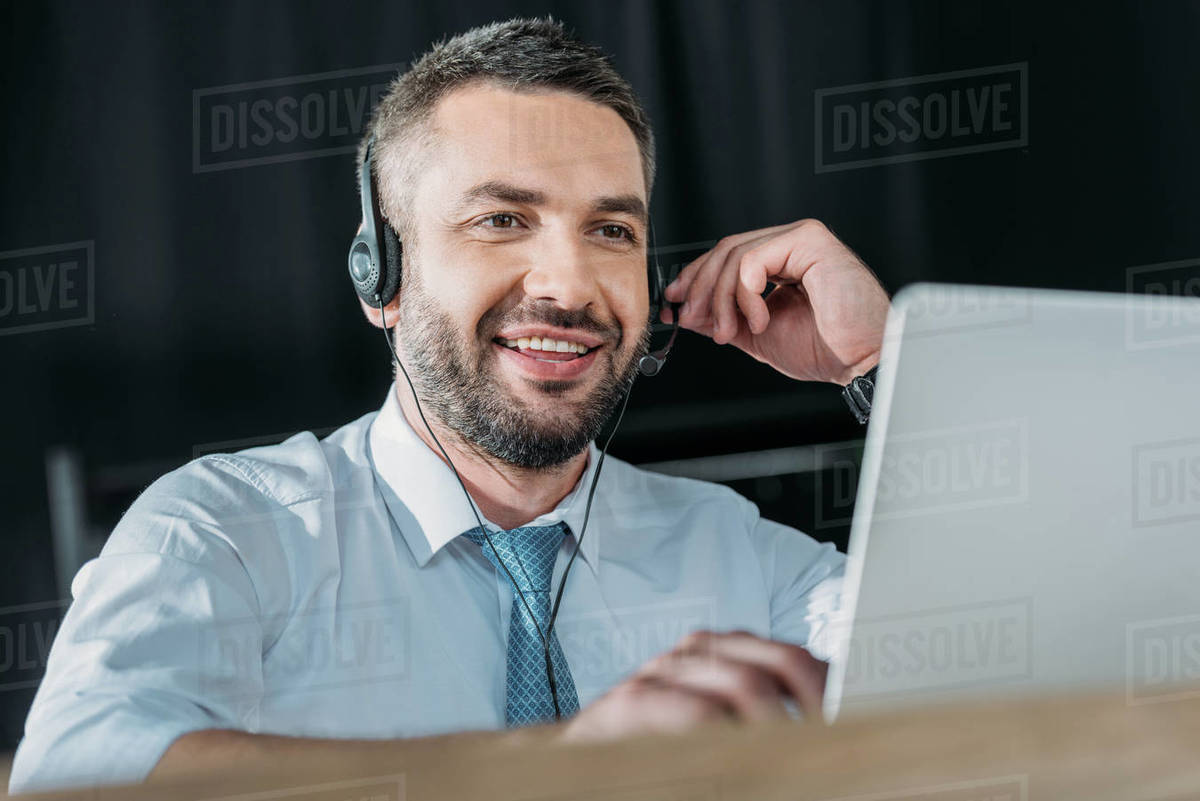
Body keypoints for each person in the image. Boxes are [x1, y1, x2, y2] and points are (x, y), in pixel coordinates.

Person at [9, 16, 890, 794]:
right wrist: (549, 769)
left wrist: (879, 363)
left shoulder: (739, 551)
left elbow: (1010, 663)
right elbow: (80, 770)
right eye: (503, 220)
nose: (570, 284)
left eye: (612, 230)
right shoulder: (228, 533)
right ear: (379, 277)